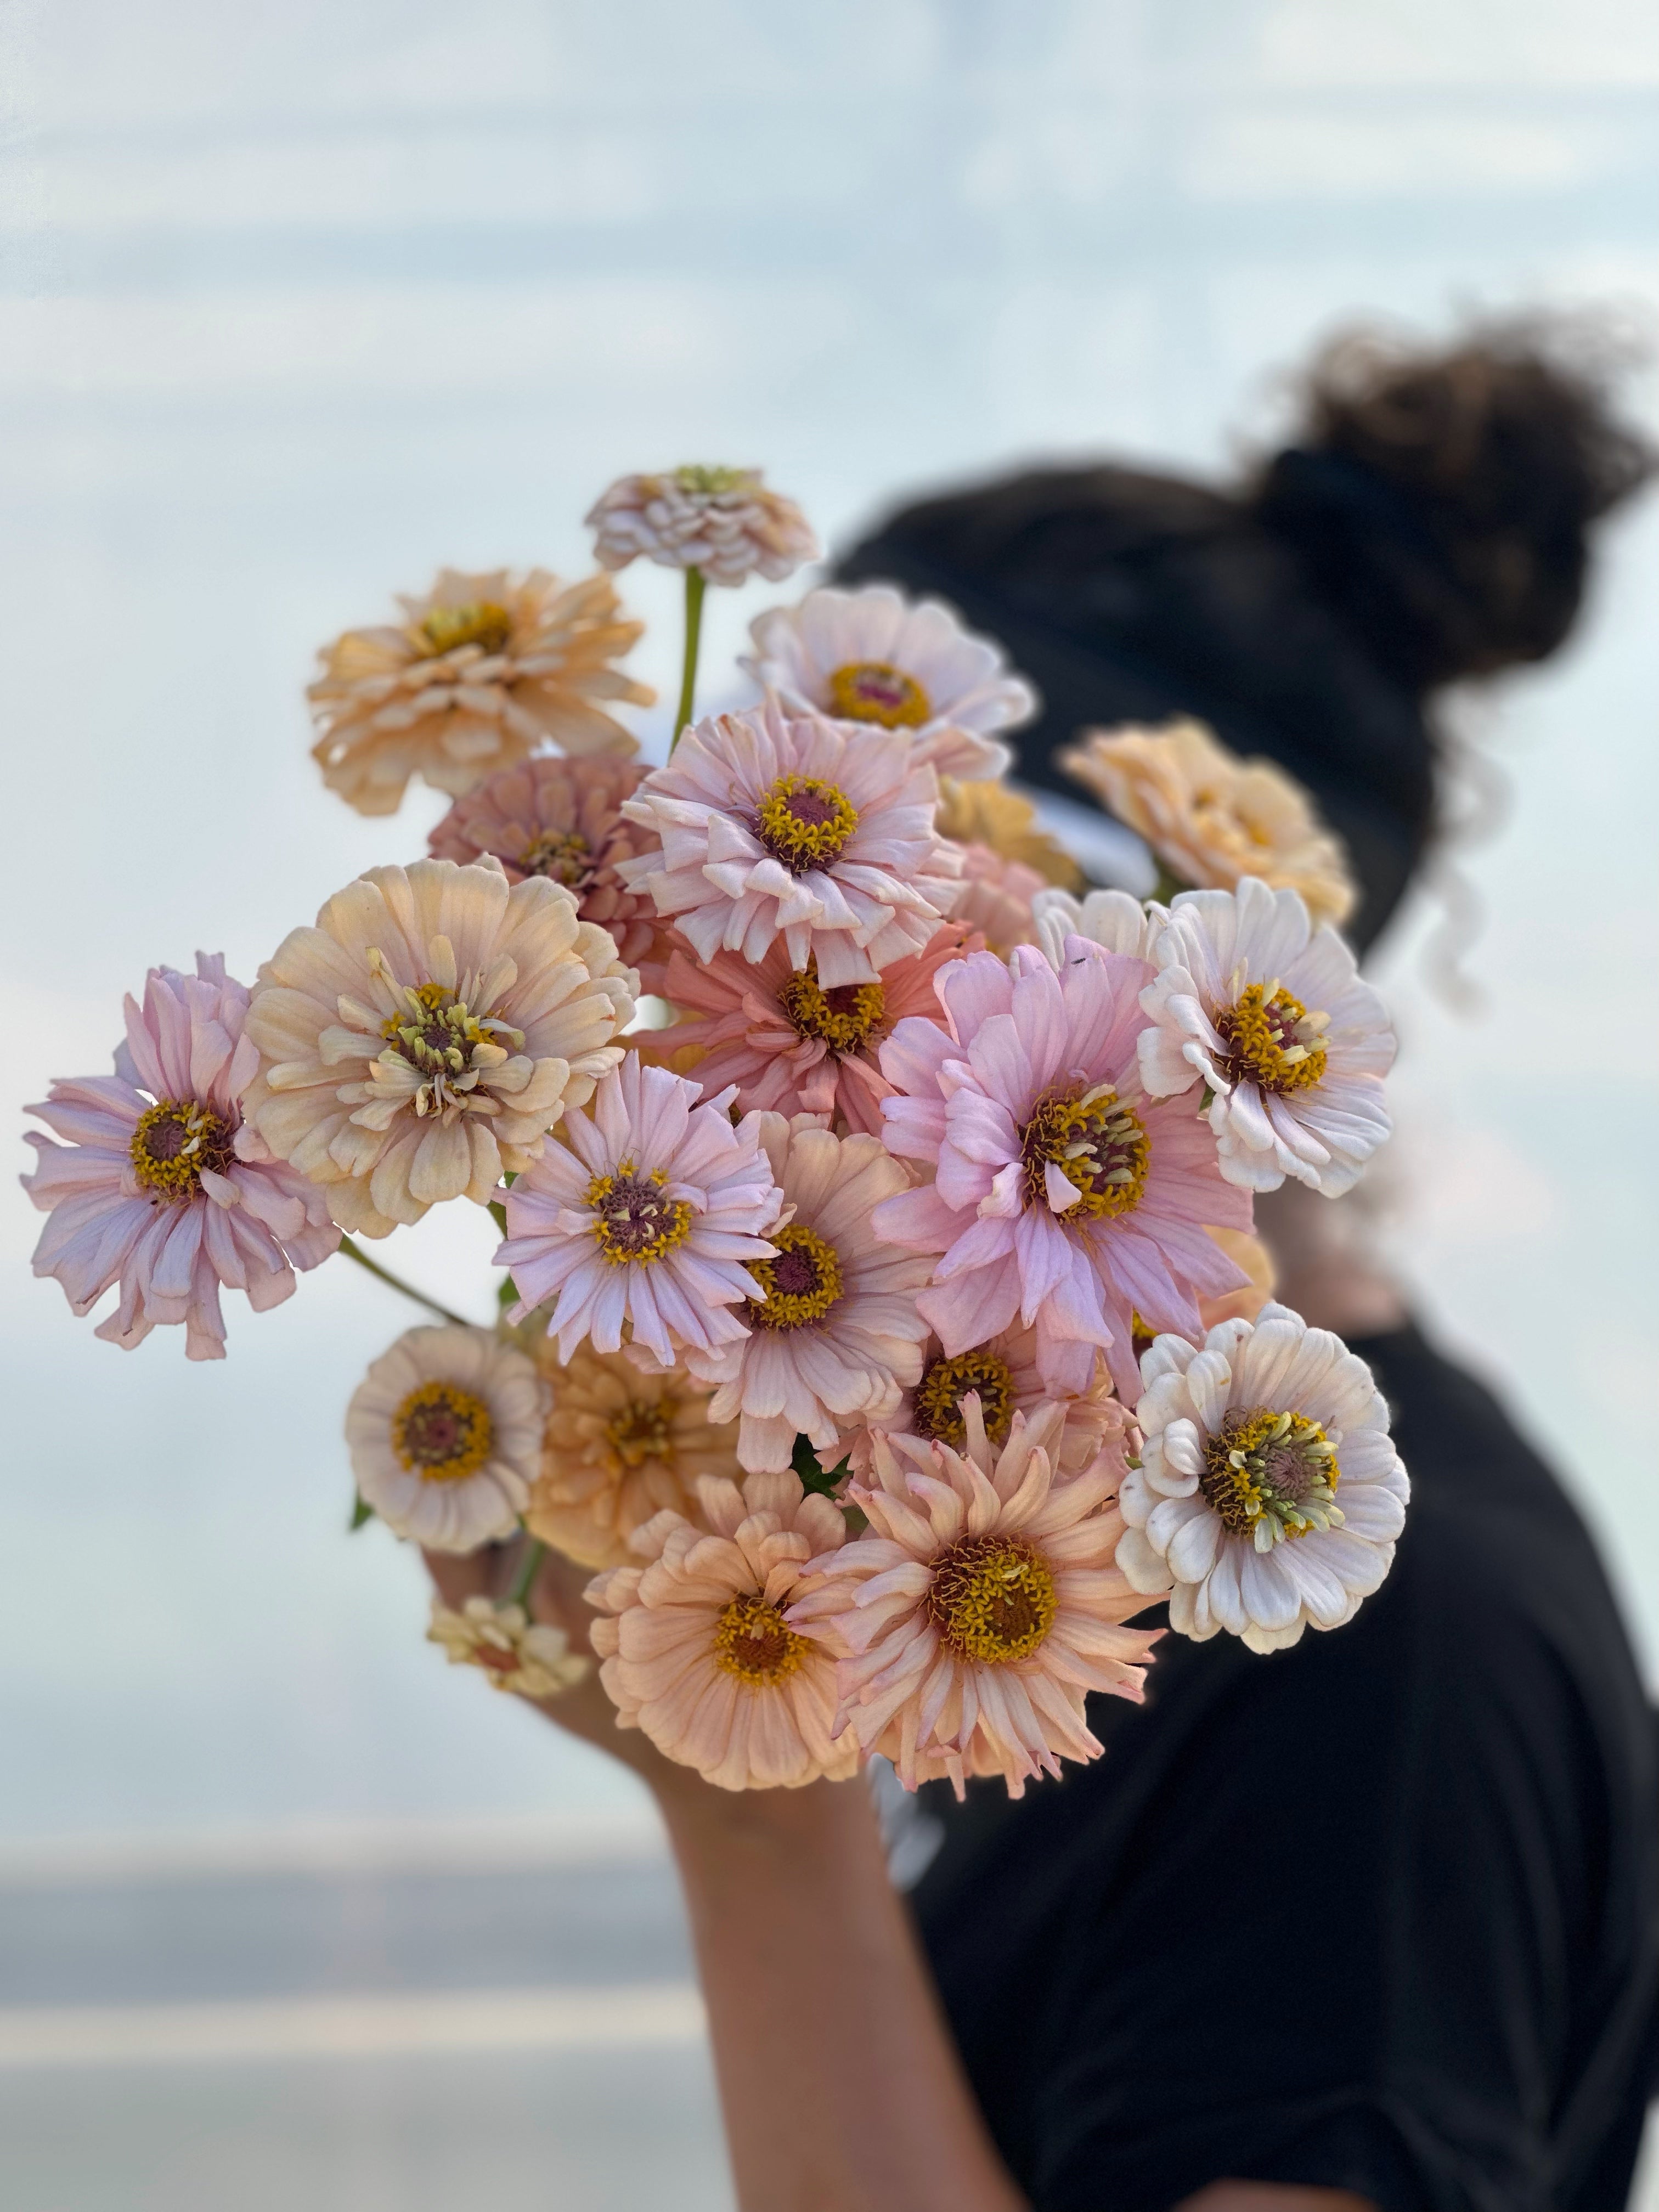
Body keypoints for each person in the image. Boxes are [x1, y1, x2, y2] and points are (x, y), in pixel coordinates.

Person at [431, 323, 1658, 2212]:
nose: (714, 994)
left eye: (824, 948)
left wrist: (755, 1813)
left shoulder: (1378, 1653)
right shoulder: (1077, 1504)